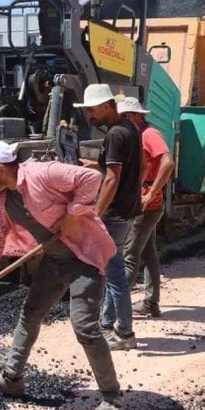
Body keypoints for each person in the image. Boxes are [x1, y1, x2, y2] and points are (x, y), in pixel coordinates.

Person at [0, 141, 127, 410]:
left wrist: (73, 214)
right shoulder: (0, 200)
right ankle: (11, 379)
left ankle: (112, 397)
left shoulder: (41, 173)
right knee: (30, 314)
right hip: (55, 261)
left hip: (84, 258)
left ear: (0, 169)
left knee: (85, 327)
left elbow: (92, 177)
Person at [73, 83, 142, 349]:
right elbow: (129, 167)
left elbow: (112, 179)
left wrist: (96, 214)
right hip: (126, 209)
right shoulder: (131, 128)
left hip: (113, 214)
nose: (90, 115)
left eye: (92, 109)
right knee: (115, 268)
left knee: (114, 274)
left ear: (105, 106)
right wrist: (95, 165)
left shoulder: (115, 134)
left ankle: (125, 334)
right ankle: (108, 320)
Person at [117, 97, 175, 318]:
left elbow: (168, 162)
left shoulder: (149, 135)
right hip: (142, 202)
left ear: (138, 115)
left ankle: (114, 313)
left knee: (129, 256)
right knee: (149, 254)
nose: (122, 120)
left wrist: (150, 193)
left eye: (126, 116)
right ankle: (151, 303)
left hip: (146, 205)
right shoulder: (135, 135)